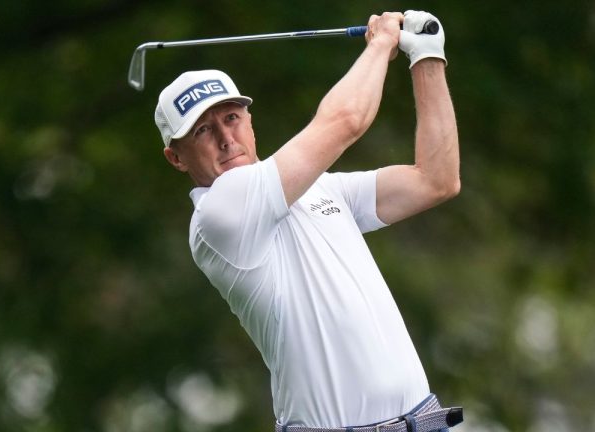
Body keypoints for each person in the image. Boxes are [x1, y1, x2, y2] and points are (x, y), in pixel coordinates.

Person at [154, 10, 461, 432]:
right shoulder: (219, 214)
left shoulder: (322, 189)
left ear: (249, 121)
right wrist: (382, 44)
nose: (226, 138)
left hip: (425, 420)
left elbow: (436, 180)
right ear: (176, 157)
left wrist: (427, 57)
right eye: (203, 131)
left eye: (231, 118)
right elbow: (346, 121)